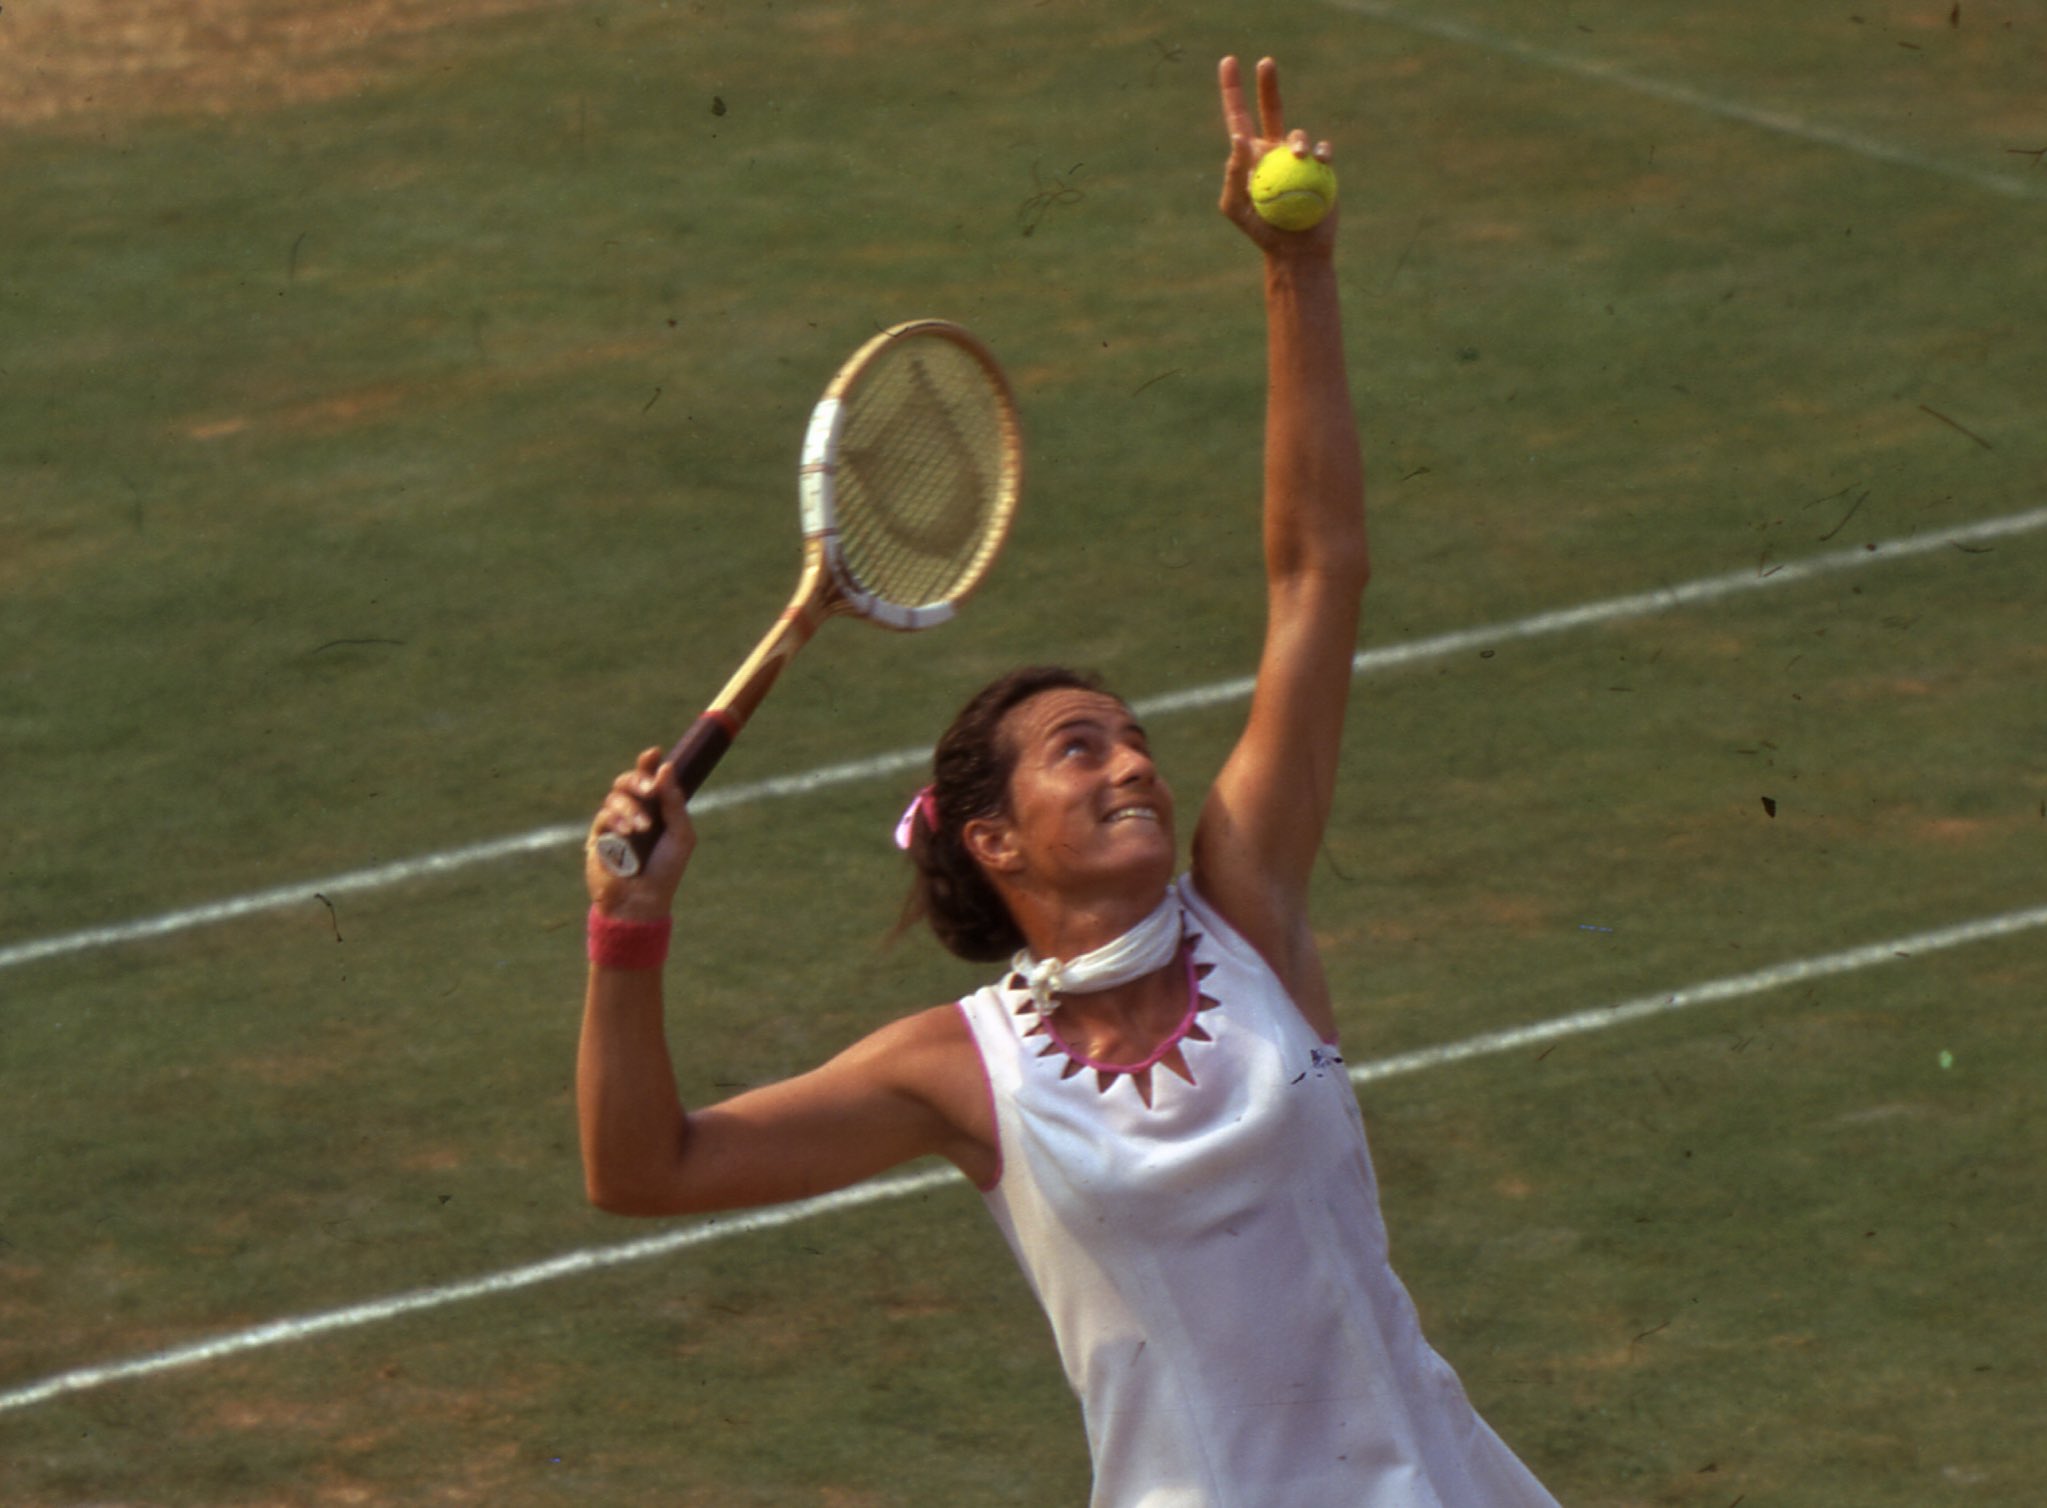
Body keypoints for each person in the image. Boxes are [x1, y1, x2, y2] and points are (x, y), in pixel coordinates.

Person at [579, 55, 1561, 1508]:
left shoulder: (1248, 911)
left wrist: (1297, 271)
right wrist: (628, 929)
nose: (1135, 761)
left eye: (1132, 735)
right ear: (995, 840)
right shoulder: (954, 1071)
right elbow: (642, 1170)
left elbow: (1317, 574)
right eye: (1079, 748)